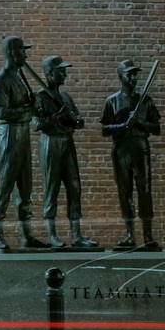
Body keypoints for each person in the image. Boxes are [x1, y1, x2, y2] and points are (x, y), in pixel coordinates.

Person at [0, 35, 48, 251]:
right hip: (8, 136)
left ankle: (26, 235)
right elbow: (1, 112)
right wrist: (28, 109)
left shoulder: (19, 77)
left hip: (23, 135)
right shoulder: (1, 79)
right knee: (4, 186)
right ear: (13, 52)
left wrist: (34, 108)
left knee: (25, 188)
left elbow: (26, 109)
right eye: (23, 51)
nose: (25, 54)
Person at [36, 55, 97, 250]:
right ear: (49, 73)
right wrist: (57, 116)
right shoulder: (40, 96)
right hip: (51, 143)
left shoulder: (65, 97)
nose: (65, 73)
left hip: (67, 143)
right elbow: (37, 124)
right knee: (52, 189)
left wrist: (76, 121)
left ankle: (77, 235)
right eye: (60, 70)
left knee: (75, 187)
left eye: (65, 70)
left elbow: (79, 121)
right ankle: (52, 235)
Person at [100, 59, 161, 251]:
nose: (133, 77)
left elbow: (157, 128)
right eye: (129, 74)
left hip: (140, 148)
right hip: (121, 149)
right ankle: (130, 235)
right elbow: (105, 129)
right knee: (124, 192)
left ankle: (148, 234)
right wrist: (124, 125)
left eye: (135, 74)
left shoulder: (146, 100)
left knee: (144, 190)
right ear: (121, 76)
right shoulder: (112, 101)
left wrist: (140, 123)